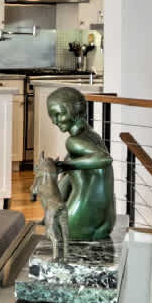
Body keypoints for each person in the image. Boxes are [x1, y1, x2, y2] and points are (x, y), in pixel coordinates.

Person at [45, 87, 114, 243]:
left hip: (80, 214)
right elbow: (68, 181)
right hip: (107, 219)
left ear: (73, 110)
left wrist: (64, 165)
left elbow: (104, 159)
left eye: (59, 114)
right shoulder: (92, 136)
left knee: (55, 245)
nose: (55, 121)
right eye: (52, 116)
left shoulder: (73, 141)